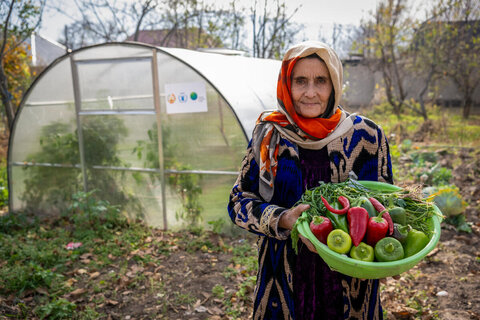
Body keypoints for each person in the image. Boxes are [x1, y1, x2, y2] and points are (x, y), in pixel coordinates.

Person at [227, 41, 393, 320]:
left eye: (321, 81)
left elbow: (387, 205)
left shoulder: (367, 136)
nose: (310, 92)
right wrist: (281, 218)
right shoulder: (269, 135)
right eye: (300, 81)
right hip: (284, 277)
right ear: (287, 84)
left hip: (352, 280)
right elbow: (239, 201)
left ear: (335, 84)